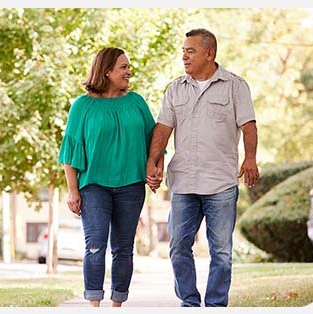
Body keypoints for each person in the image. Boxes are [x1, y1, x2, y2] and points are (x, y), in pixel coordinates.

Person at [146, 28, 259, 307]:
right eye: (183, 50)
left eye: (191, 50)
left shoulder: (235, 85)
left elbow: (249, 125)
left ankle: (217, 303)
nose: (184, 55)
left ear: (210, 53)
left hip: (220, 182)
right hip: (184, 181)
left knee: (221, 252)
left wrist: (250, 158)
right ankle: (189, 301)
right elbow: (163, 127)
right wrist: (153, 160)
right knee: (177, 247)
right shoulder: (175, 88)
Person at [58, 47, 162, 307]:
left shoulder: (136, 102)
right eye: (123, 67)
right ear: (106, 72)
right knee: (95, 245)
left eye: (128, 67)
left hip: (131, 185)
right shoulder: (82, 106)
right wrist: (73, 190)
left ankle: (117, 304)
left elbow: (155, 142)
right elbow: (70, 150)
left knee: (123, 249)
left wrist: (156, 168)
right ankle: (94, 304)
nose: (129, 72)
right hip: (94, 186)